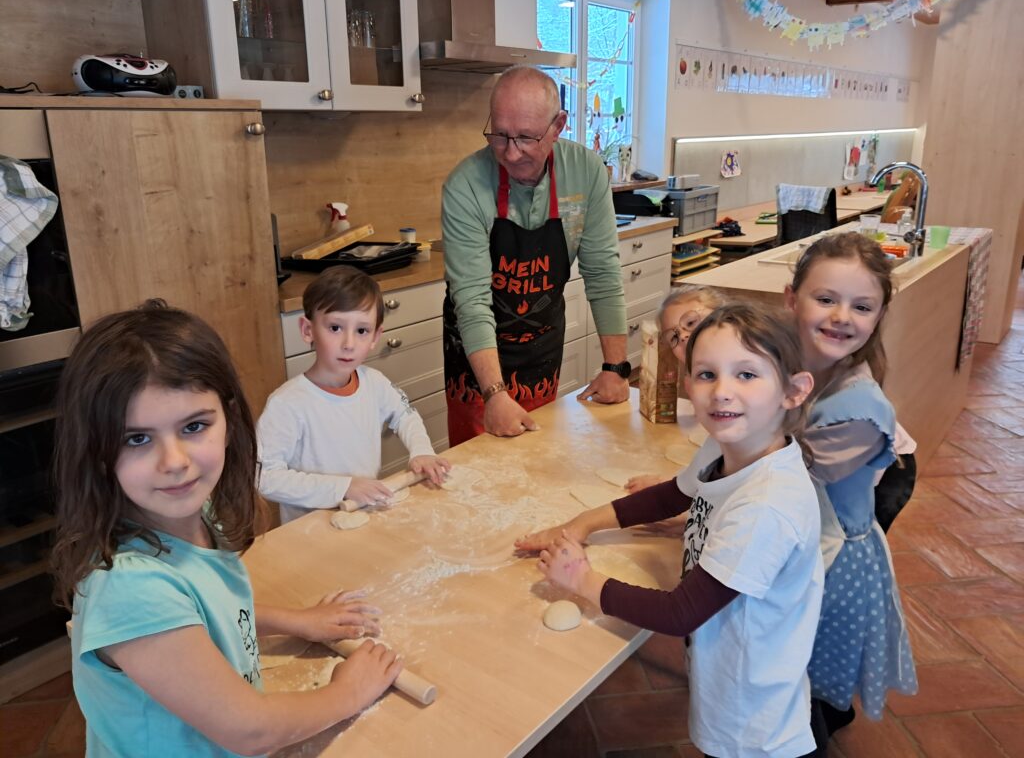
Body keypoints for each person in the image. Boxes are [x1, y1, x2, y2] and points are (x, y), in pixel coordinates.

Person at [51, 299, 402, 757]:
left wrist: (296, 621)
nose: (174, 463)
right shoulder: (128, 586)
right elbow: (249, 731)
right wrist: (348, 693)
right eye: (136, 438)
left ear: (229, 420)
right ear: (95, 448)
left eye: (194, 426)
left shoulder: (195, 513)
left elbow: (206, 611)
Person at [516, 303, 823, 758]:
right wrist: (579, 526)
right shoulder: (728, 446)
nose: (722, 392)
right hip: (735, 674)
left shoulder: (766, 507)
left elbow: (680, 613)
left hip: (751, 721)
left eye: (746, 374)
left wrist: (581, 580)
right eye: (706, 374)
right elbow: (669, 497)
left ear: (792, 391)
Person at [441, 64, 629, 446]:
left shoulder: (587, 172)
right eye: (499, 136)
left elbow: (603, 273)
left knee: (536, 454)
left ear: (558, 126)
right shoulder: (465, 185)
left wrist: (616, 368)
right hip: (475, 357)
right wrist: (494, 394)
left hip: (540, 344)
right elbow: (473, 300)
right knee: (479, 466)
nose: (510, 153)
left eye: (526, 137)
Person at [784, 232, 918, 741]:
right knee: (811, 678)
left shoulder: (859, 411)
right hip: (812, 538)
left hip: (832, 564)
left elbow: (782, 481)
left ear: (879, 316)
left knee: (800, 682)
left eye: (861, 306)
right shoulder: (795, 364)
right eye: (826, 299)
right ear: (790, 298)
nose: (842, 316)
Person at [258, 266, 450, 522]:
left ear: (375, 336)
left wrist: (422, 450)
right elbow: (265, 477)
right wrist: (344, 487)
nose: (349, 343)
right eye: (335, 327)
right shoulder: (287, 404)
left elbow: (405, 415)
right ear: (307, 330)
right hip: (310, 533)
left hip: (363, 514)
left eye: (361, 331)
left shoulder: (375, 383)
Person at [625, 285, 728, 494]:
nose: (682, 336)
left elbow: (744, 471)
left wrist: (685, 511)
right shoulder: (703, 382)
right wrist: (676, 484)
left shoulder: (744, 380)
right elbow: (719, 455)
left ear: (725, 317)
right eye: (673, 337)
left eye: (691, 323)